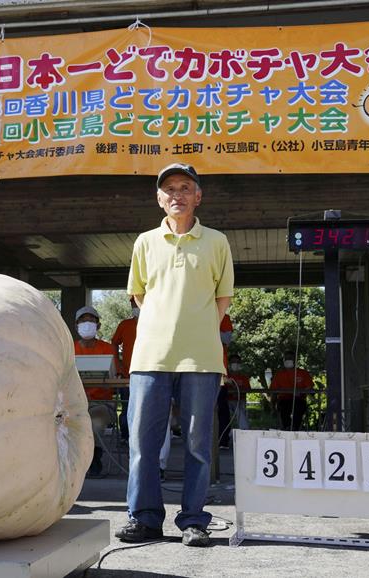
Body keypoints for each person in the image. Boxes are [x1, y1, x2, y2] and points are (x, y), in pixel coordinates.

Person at [115, 162, 234, 548]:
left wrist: (195, 329)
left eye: (186, 187)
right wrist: (162, 327)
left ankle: (194, 519)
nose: (177, 195)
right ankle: (144, 518)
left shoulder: (217, 241)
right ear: (159, 199)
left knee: (198, 445)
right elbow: (139, 294)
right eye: (169, 189)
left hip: (200, 359)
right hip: (150, 357)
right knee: (142, 444)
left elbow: (223, 298)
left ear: (198, 196)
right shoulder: (144, 242)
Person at [74, 305, 116, 478]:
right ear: (76, 325)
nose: (87, 324)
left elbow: (115, 377)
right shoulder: (69, 348)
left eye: (91, 321)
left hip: (101, 403)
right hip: (74, 403)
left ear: (98, 326)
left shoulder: (107, 349)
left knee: (94, 424)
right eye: (83, 321)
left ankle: (94, 457)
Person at [111, 297, 139, 442]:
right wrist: (118, 366)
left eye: (137, 302)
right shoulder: (125, 324)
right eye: (132, 303)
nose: (135, 305)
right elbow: (114, 343)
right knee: (127, 406)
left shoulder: (155, 323)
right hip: (127, 374)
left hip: (149, 374)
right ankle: (125, 436)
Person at [269, 350, 314, 430]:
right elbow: (274, 392)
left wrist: (302, 392)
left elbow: (309, 387)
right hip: (284, 400)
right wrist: (272, 405)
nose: (288, 360)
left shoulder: (303, 373)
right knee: (284, 409)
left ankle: (295, 428)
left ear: (295, 360)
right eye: (286, 358)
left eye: (290, 358)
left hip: (299, 400)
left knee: (298, 409)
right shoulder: (279, 375)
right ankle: (287, 427)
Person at [217, 314, 234, 448]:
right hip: (198, 368)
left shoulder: (225, 317)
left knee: (222, 408)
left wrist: (206, 328)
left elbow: (227, 338)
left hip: (219, 370)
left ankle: (222, 440)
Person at [225, 353, 252, 432]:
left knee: (240, 412)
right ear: (229, 364)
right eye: (233, 362)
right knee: (225, 414)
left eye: (237, 362)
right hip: (227, 401)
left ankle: (245, 431)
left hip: (240, 401)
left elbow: (248, 390)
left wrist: (239, 392)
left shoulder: (244, 377)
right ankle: (226, 433)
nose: (235, 364)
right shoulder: (226, 377)